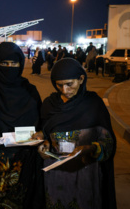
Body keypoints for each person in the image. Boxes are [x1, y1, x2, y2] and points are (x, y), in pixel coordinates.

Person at [0, 42, 45, 209]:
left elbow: (41, 122)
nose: (9, 67)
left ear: (20, 64)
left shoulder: (30, 91)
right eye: (4, 63)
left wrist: (41, 134)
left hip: (26, 162)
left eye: (14, 63)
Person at [36, 58, 117, 209]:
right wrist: (44, 144)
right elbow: (45, 133)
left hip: (85, 176)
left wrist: (92, 149)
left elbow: (108, 143)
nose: (65, 90)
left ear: (81, 79)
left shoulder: (94, 104)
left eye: (69, 84)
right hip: (55, 176)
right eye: (59, 85)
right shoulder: (49, 104)